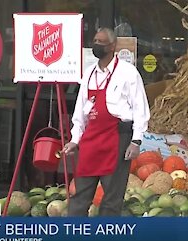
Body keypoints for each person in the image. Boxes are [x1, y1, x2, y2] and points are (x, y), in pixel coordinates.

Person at [63, 27, 150, 216]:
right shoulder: (89, 74)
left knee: (112, 198)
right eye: (95, 41)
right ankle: (72, 240)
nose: (97, 45)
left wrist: (136, 141)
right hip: (91, 141)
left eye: (101, 42)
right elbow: (80, 111)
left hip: (117, 139)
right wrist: (74, 140)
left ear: (113, 46)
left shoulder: (128, 73)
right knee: (79, 196)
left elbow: (140, 109)